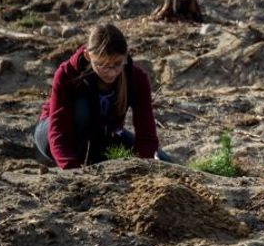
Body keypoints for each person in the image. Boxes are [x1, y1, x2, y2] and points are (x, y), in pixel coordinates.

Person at [33, 23, 168, 169]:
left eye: (117, 64)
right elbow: (58, 130)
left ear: (126, 56)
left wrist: (142, 166)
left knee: (162, 159)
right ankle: (76, 160)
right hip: (52, 135)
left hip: (102, 136)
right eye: (102, 65)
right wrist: (72, 170)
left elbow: (146, 132)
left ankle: (90, 159)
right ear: (88, 56)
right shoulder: (67, 74)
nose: (111, 72)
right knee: (82, 110)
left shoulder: (137, 78)